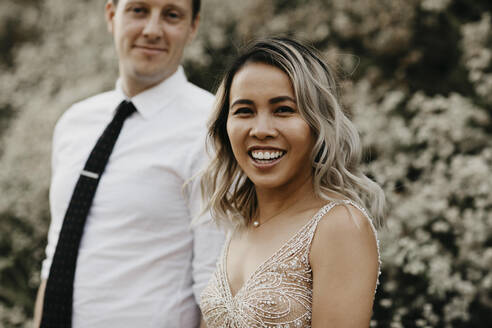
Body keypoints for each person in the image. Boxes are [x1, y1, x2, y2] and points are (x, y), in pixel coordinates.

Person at [34, 0, 224, 327]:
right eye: (138, 10)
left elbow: (215, 286)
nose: (152, 30)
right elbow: (55, 258)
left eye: (171, 15)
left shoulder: (212, 130)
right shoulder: (74, 122)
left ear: (192, 27)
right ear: (111, 15)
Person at [199, 37, 386, 327]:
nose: (261, 130)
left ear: (317, 124)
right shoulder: (240, 223)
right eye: (244, 111)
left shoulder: (340, 226)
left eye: (283, 109)